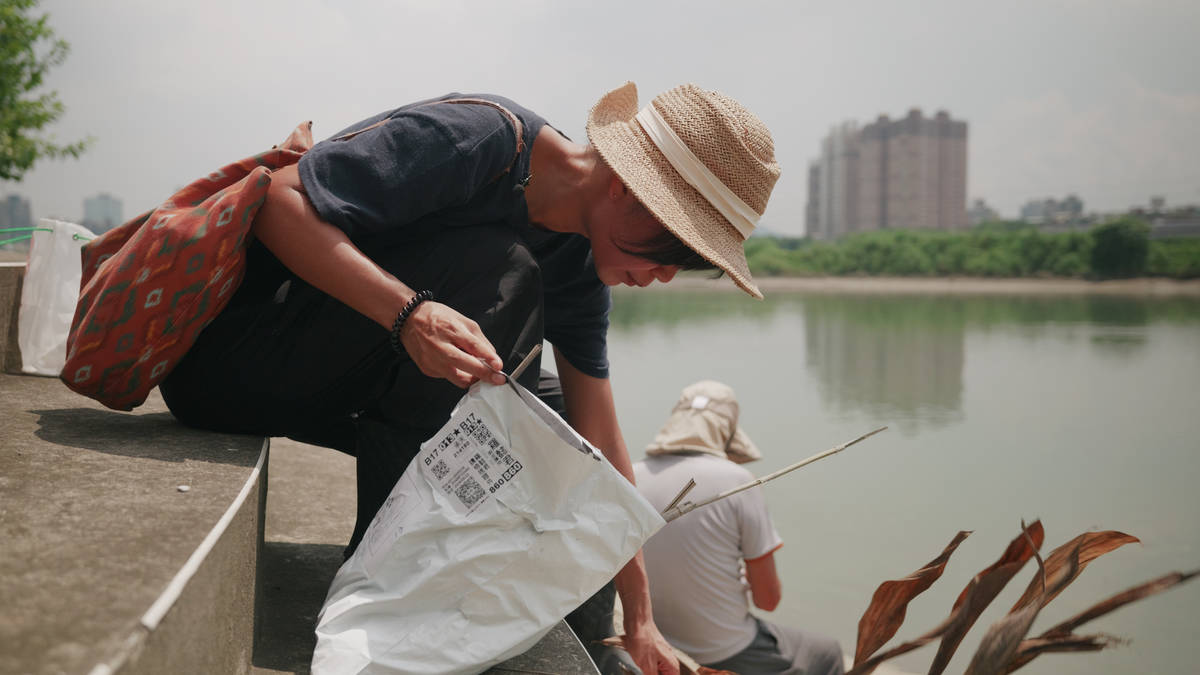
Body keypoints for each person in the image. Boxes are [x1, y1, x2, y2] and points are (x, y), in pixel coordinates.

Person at [159, 82, 780, 674]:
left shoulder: (578, 260)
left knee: (559, 422)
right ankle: (393, 597)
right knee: (500, 273)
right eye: (668, 249)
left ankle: (595, 643)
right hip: (228, 361)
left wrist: (641, 618)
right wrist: (408, 315)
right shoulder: (476, 140)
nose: (666, 275)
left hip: (330, 385)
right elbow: (275, 202)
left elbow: (603, 439)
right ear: (625, 186)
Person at [633, 381, 845, 675]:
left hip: (657, 643)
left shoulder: (631, 475)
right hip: (725, 652)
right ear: (727, 433)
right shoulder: (738, 481)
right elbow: (768, 599)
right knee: (828, 652)